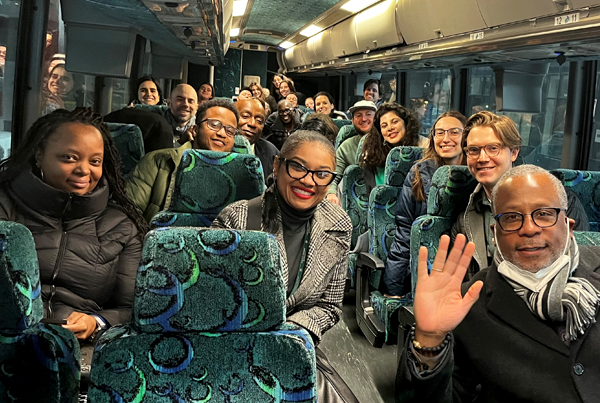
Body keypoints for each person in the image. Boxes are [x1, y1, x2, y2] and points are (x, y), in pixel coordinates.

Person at [397, 165, 600, 402]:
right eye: (512, 218)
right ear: (495, 234)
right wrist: (429, 340)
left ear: (568, 226)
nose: (529, 229)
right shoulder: (469, 304)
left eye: (544, 214)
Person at [212, 130, 357, 402]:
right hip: (233, 348)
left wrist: (290, 330)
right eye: (298, 167)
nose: (308, 181)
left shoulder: (339, 224)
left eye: (321, 174)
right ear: (277, 166)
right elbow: (214, 301)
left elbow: (330, 307)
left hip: (295, 343)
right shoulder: (237, 218)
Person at [0, 108, 147, 340]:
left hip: (78, 346)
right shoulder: (4, 204)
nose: (84, 170)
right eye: (69, 158)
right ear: (39, 155)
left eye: (95, 161)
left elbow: (132, 307)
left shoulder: (121, 225)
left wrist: (97, 322)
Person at [452, 111, 588, 278]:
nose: (482, 158)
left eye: (493, 148)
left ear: (514, 152)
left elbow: (578, 266)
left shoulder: (561, 201)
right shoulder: (463, 218)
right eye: (473, 150)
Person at [383, 111, 467, 297]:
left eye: (454, 132)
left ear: (466, 136)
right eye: (440, 132)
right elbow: (405, 231)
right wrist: (394, 287)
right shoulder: (419, 173)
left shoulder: (477, 174)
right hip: (423, 265)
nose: (446, 138)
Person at [126, 98, 239, 222]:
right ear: (195, 130)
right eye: (214, 125)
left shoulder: (240, 176)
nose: (222, 133)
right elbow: (128, 216)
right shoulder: (156, 161)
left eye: (230, 131)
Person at [359, 103, 428, 194]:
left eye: (395, 122)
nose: (390, 128)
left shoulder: (424, 146)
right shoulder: (373, 156)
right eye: (384, 126)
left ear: (406, 123)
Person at [326, 100, 377, 205]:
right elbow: (333, 174)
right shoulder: (346, 146)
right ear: (353, 121)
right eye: (359, 115)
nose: (363, 119)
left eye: (368, 114)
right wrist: (331, 193)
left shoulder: (387, 143)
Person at [235, 98, 279, 180]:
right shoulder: (216, 148)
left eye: (259, 121)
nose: (252, 124)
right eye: (245, 116)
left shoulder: (271, 152)